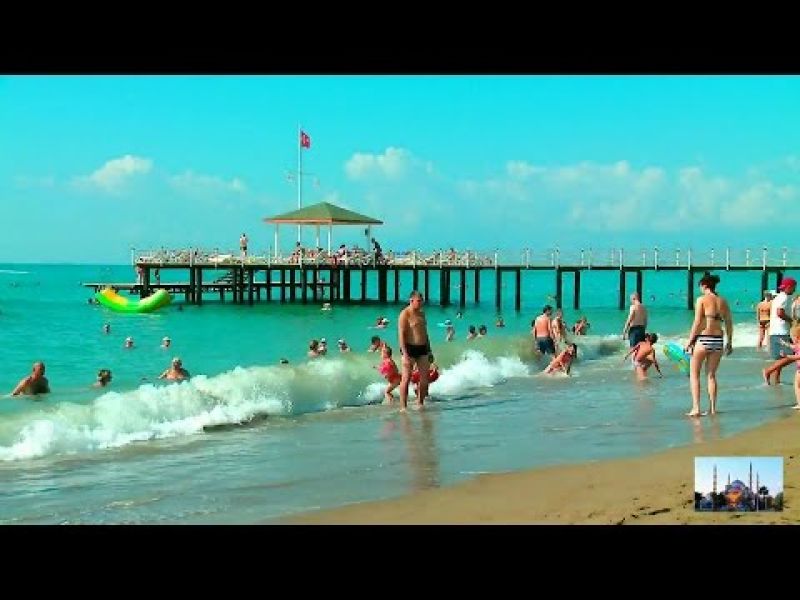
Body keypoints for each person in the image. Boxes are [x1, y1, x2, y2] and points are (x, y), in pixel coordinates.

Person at [684, 272, 733, 417]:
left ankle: (696, 408)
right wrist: (729, 342)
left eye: (700, 286)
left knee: (694, 375)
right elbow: (729, 323)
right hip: (718, 340)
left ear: (704, 285)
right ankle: (712, 409)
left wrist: (689, 341)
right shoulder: (723, 301)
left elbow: (698, 322)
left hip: (704, 339)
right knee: (711, 375)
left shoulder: (701, 300)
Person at [398, 290, 433, 410]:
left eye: (421, 301)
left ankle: (420, 403)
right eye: (418, 301)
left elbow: (425, 333)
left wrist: (429, 350)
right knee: (406, 378)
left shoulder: (422, 314)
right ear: (411, 300)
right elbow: (401, 335)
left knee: (425, 379)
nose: (420, 303)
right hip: (409, 348)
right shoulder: (405, 314)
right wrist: (405, 354)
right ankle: (403, 407)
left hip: (422, 348)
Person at [765, 278, 797, 384]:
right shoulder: (784, 298)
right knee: (794, 354)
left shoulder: (778, 297)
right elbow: (780, 313)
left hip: (776, 330)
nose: (794, 290)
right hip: (781, 331)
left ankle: (776, 380)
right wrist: (792, 320)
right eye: (794, 287)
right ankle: (768, 370)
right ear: (789, 287)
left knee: (781, 357)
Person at [763, 325, 800, 395]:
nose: (792, 339)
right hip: (798, 370)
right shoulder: (797, 345)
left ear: (797, 338)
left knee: (797, 387)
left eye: (793, 338)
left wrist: (787, 356)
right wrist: (785, 343)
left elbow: (797, 356)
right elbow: (792, 346)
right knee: (797, 387)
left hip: (799, 371)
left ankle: (772, 375)